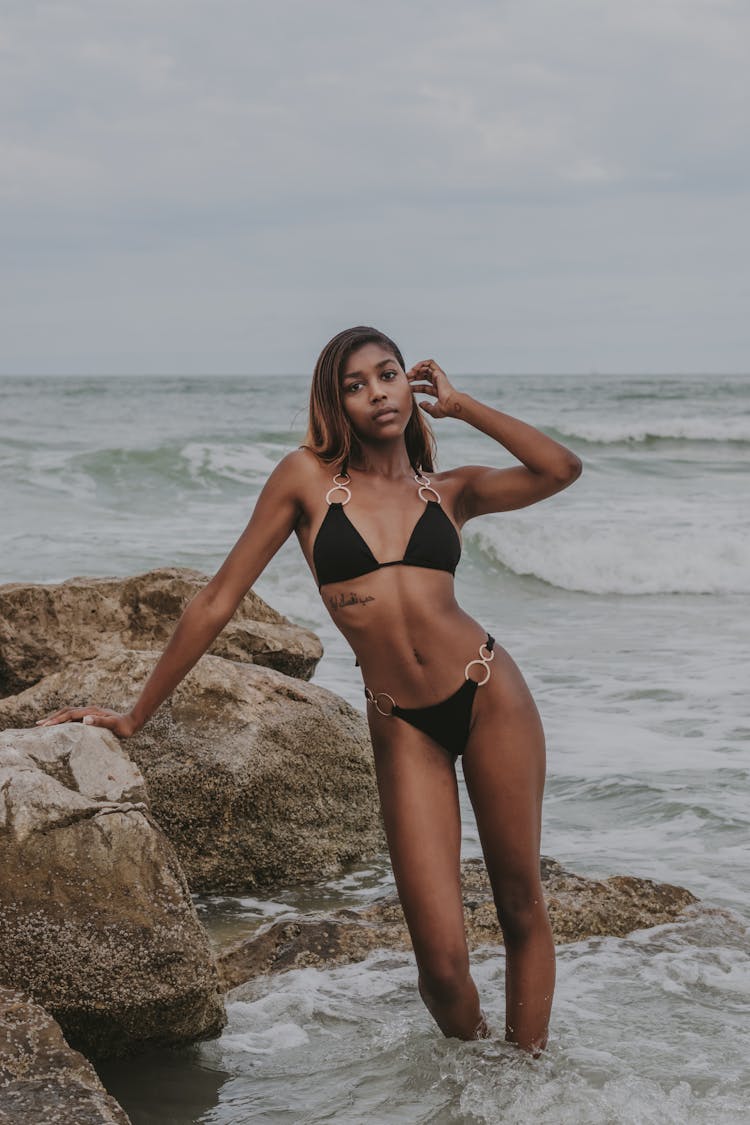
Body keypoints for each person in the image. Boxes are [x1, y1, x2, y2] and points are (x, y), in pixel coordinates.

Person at [36, 325, 582, 1054]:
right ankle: (483, 1064)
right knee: (443, 969)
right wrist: (136, 713)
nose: (376, 392)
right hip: (404, 728)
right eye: (354, 385)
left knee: (520, 907)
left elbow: (560, 467)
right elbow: (217, 598)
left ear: (407, 386)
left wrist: (462, 405)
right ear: (336, 403)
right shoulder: (305, 479)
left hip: (489, 695)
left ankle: (526, 1083)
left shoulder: (450, 490)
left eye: (387, 375)